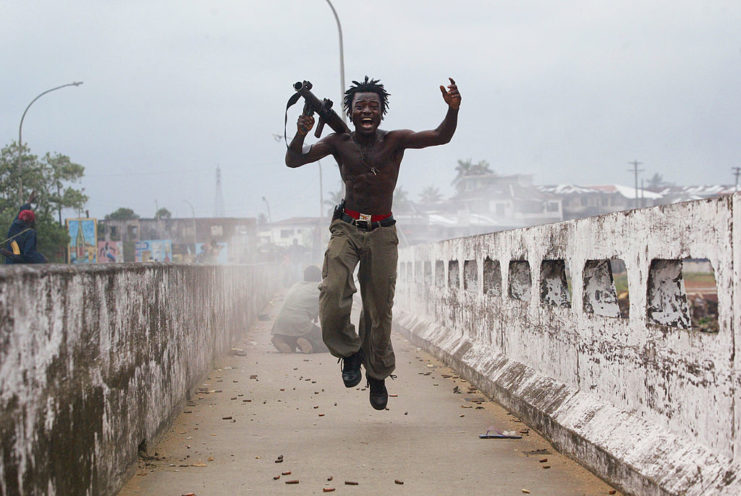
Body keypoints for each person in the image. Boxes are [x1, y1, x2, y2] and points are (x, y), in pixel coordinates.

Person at [285, 76, 461, 409]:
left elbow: (440, 136)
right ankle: (349, 352)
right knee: (333, 289)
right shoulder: (338, 142)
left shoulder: (395, 141)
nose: (367, 111)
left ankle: (377, 373)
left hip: (383, 232)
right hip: (347, 228)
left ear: (382, 113)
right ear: (350, 112)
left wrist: (452, 110)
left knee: (379, 308)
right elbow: (294, 159)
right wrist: (301, 133)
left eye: (374, 106)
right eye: (360, 106)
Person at [271, 265, 328, 354]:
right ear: (319, 277)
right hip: (299, 323)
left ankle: (281, 340)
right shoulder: (320, 288)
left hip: (280, 324)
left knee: (293, 333)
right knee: (327, 341)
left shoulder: (296, 285)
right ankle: (310, 344)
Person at [2, 191, 47, 264]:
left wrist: (29, 202)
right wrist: (41, 258)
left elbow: (22, 213)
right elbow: (29, 254)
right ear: (31, 221)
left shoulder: (14, 226)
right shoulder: (30, 233)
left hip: (8, 265)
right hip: (19, 268)